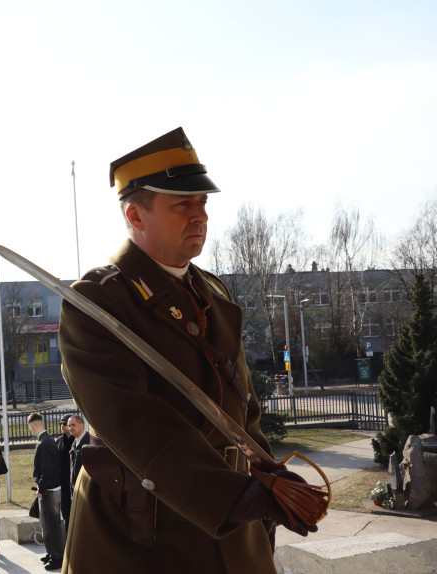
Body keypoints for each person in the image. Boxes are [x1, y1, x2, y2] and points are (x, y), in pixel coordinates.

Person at [58, 127, 316, 574]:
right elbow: (132, 421)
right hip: (142, 534)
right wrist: (235, 497)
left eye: (202, 203)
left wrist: (268, 475)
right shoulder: (99, 301)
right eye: (182, 204)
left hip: (234, 530)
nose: (200, 216)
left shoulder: (210, 293)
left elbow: (243, 409)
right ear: (135, 215)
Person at [29, 413, 64, 571]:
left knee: (50, 526)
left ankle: (57, 557)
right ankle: (51, 553)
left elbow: (46, 471)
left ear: (32, 427)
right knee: (48, 524)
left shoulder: (44, 443)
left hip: (49, 490)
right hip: (52, 488)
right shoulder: (49, 439)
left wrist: (41, 488)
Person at [56, 414, 75, 531]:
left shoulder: (76, 440)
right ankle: (67, 539)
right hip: (62, 486)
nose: (62, 426)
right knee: (66, 515)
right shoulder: (59, 441)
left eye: (64, 424)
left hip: (74, 485)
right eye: (61, 424)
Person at [66, 415, 90, 498]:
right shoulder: (75, 443)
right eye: (69, 426)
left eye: (73, 425)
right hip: (76, 491)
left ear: (82, 425)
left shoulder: (89, 442)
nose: (70, 428)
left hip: (86, 491)